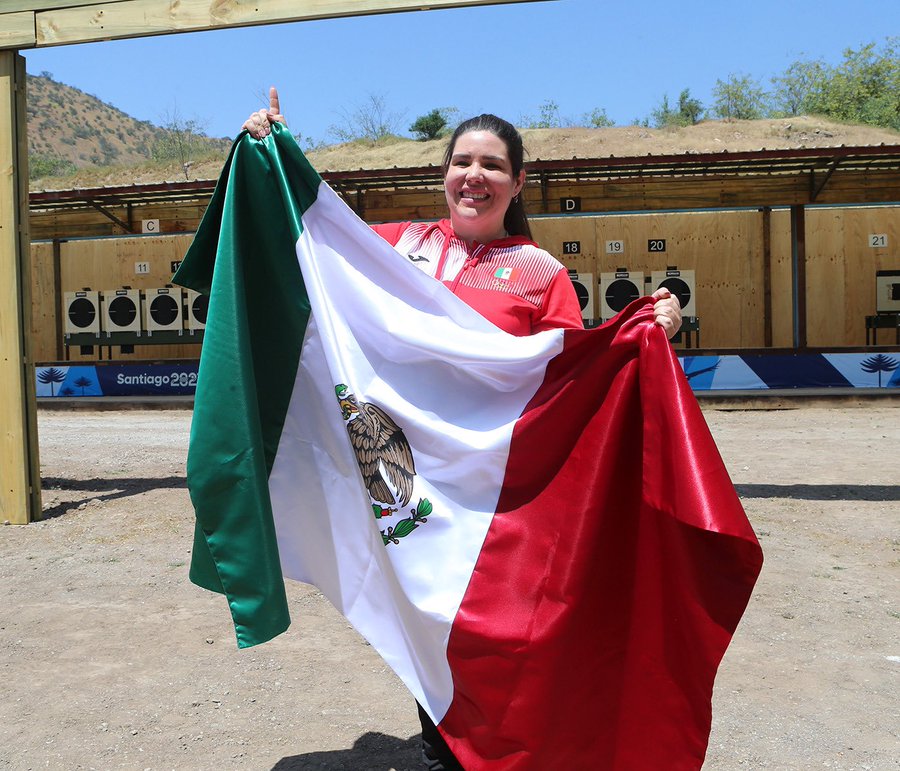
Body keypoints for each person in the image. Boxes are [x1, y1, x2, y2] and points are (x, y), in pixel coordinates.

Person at [243, 88, 682, 770]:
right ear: (444, 173)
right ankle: (443, 750)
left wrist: (649, 332)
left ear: (518, 182)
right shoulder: (395, 248)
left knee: (498, 635)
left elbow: (572, 383)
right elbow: (313, 252)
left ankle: (493, 748)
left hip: (499, 495)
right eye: (461, 161)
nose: (474, 176)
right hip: (410, 486)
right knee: (427, 619)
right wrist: (272, 152)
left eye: (492, 165)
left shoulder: (541, 273)